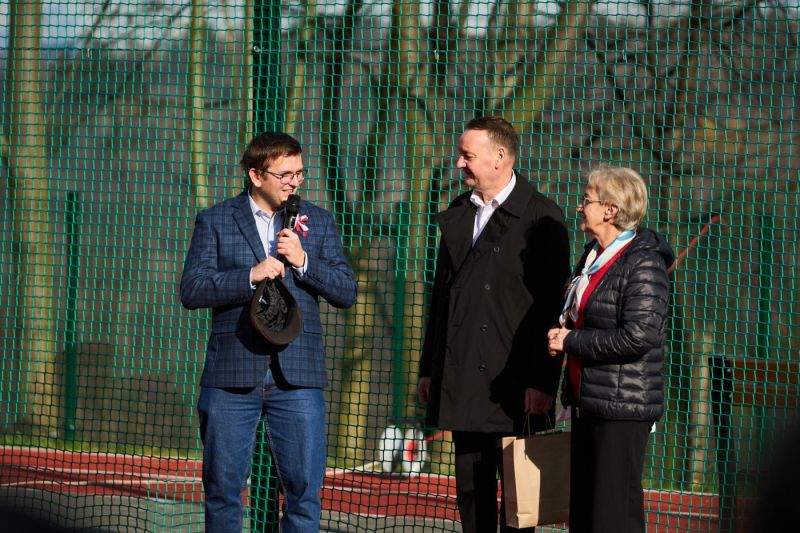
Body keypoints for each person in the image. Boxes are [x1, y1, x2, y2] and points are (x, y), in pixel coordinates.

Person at [180, 132, 357, 533]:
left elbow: (346, 291)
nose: (295, 182)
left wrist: (304, 261)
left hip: (298, 378)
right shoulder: (217, 220)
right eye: (285, 174)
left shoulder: (318, 221)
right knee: (223, 493)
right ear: (256, 175)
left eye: (300, 173)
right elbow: (192, 289)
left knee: (304, 494)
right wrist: (248, 276)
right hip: (231, 374)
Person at [417, 116, 571, 532]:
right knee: (471, 491)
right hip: (464, 374)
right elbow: (442, 297)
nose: (459, 164)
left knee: (521, 499)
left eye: (468, 156)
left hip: (517, 382)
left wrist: (543, 382)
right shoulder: (458, 210)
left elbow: (553, 308)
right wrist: (430, 368)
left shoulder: (543, 216)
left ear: (500, 156)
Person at [546, 165, 674, 533]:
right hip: (588, 400)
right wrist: (564, 332)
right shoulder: (592, 254)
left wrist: (571, 341)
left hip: (623, 406)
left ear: (610, 210)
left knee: (613, 514)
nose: (579, 206)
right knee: (584, 513)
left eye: (586, 199)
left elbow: (638, 336)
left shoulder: (643, 262)